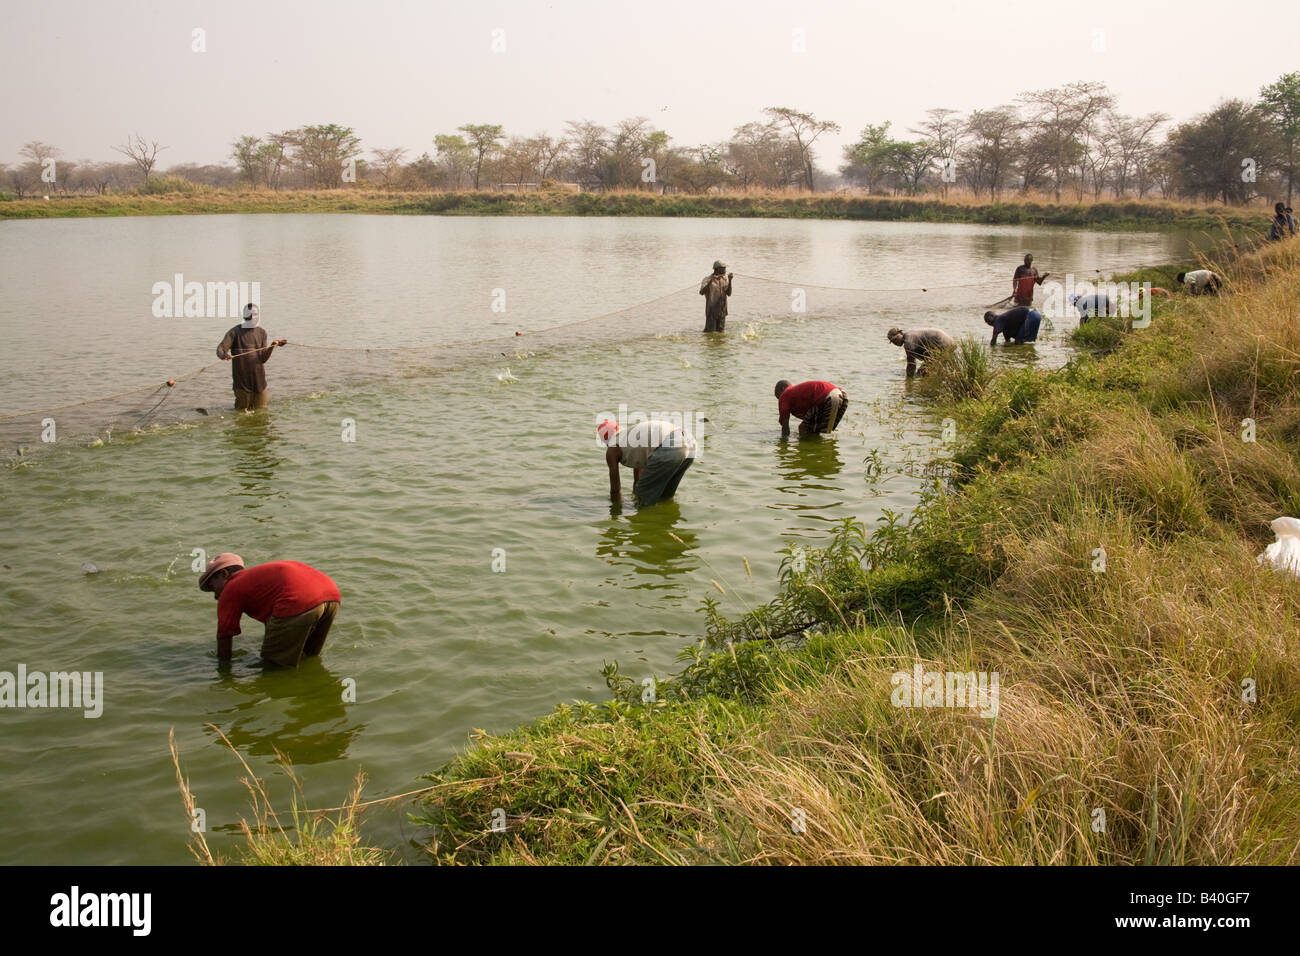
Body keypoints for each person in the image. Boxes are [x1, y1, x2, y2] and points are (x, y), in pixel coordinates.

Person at [199, 554, 341, 667]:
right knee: (308, 657)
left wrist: (224, 672)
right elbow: (275, 623)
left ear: (224, 574)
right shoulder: (256, 579)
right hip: (331, 595)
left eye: (213, 587)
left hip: (299, 600)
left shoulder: (231, 587)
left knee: (273, 667)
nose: (216, 596)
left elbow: (224, 635)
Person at [598, 418, 696, 506]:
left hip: (671, 445)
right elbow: (639, 478)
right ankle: (664, 520)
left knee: (644, 494)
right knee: (665, 495)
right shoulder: (631, 436)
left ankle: (644, 522)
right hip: (690, 442)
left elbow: (615, 489)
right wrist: (636, 493)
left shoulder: (612, 449)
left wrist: (615, 512)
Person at [216, 304, 287, 410]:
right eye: (250, 315)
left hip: (259, 383)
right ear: (245, 316)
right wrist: (223, 355)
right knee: (241, 415)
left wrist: (273, 345)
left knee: (261, 414)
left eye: (255, 314)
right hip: (242, 384)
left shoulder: (262, 333)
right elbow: (220, 349)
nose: (253, 317)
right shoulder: (235, 332)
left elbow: (263, 359)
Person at [773, 380, 849, 437]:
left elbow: (785, 427)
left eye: (778, 397)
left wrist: (783, 446)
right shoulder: (797, 393)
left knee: (803, 428)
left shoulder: (785, 395)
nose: (780, 401)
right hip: (841, 396)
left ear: (782, 389)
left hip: (827, 397)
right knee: (813, 430)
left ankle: (807, 452)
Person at [887, 327, 955, 377]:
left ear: (901, 333)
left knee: (921, 373)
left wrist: (908, 380)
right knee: (936, 371)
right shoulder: (910, 335)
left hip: (942, 343)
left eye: (895, 339)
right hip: (948, 342)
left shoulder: (908, 341)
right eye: (892, 341)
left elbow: (911, 364)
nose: (895, 342)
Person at [699, 260, 733, 332]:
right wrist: (711, 281)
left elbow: (729, 294)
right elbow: (701, 292)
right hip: (712, 312)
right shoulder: (707, 279)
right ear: (717, 269)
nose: (725, 270)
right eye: (723, 268)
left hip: (722, 311)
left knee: (720, 333)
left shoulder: (724, 279)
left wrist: (730, 280)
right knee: (710, 333)